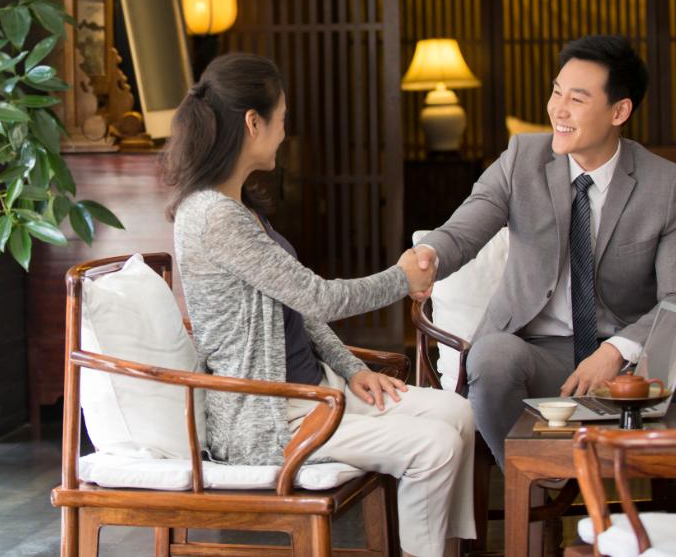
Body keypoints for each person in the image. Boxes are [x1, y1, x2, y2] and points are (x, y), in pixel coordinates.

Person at [162, 52, 476, 557]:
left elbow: (298, 310)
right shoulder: (213, 217)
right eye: (282, 121)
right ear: (252, 122)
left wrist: (351, 369)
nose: (285, 134)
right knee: (434, 445)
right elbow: (318, 296)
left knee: (456, 412)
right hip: (271, 418)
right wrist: (401, 278)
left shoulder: (237, 207)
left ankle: (450, 549)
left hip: (317, 393)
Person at [414, 35, 676, 467]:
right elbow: (463, 230)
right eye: (556, 92)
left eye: (577, 98)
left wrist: (616, 352)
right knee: (492, 357)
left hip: (630, 363)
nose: (558, 109)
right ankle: (536, 480)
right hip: (539, 353)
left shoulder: (665, 185)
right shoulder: (521, 159)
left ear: (619, 111)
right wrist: (428, 257)